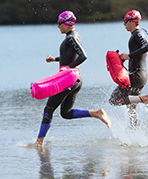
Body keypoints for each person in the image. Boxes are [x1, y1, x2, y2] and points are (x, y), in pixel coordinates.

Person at [34, 11, 111, 146]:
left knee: (49, 109)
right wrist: (55, 59)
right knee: (66, 113)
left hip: (68, 79)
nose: (58, 26)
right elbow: (71, 55)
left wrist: (68, 67)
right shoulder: (74, 36)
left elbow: (83, 56)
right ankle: (97, 113)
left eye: (60, 23)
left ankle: (39, 143)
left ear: (68, 23)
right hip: (75, 79)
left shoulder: (71, 38)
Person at [109, 9, 148, 126]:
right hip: (141, 75)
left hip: (136, 75)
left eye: (126, 21)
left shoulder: (138, 33)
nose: (124, 24)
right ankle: (135, 135)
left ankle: (145, 99)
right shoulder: (137, 34)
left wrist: (129, 55)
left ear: (133, 22)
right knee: (132, 110)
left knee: (113, 100)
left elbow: (147, 46)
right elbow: (138, 54)